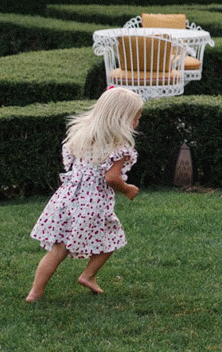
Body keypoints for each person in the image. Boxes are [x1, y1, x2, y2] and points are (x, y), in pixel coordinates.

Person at [26, 87, 142, 301]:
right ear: (123, 119)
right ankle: (88, 275)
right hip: (93, 203)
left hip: (67, 199)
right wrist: (128, 189)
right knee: (112, 238)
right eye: (136, 116)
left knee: (58, 249)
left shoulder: (84, 135)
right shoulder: (119, 147)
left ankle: (35, 292)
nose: (138, 120)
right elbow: (111, 178)